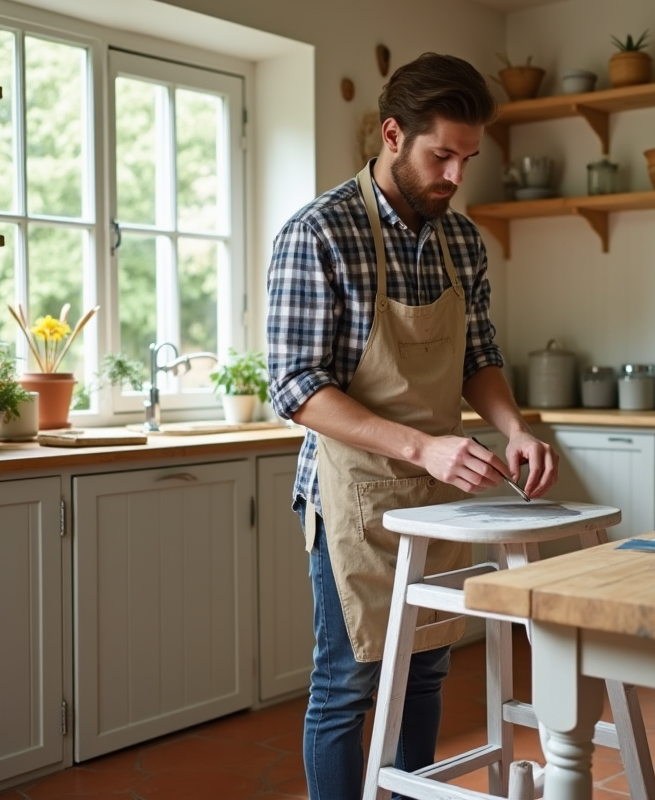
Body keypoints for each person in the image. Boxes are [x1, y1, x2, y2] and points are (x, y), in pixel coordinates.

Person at [266, 52, 559, 799]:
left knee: (427, 663)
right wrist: (419, 445)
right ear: (393, 134)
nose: (456, 175)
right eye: (442, 155)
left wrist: (514, 429)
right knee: (351, 678)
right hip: (354, 495)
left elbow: (480, 358)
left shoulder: (460, 240)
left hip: (442, 490)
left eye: (468, 158)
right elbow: (298, 388)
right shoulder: (319, 232)